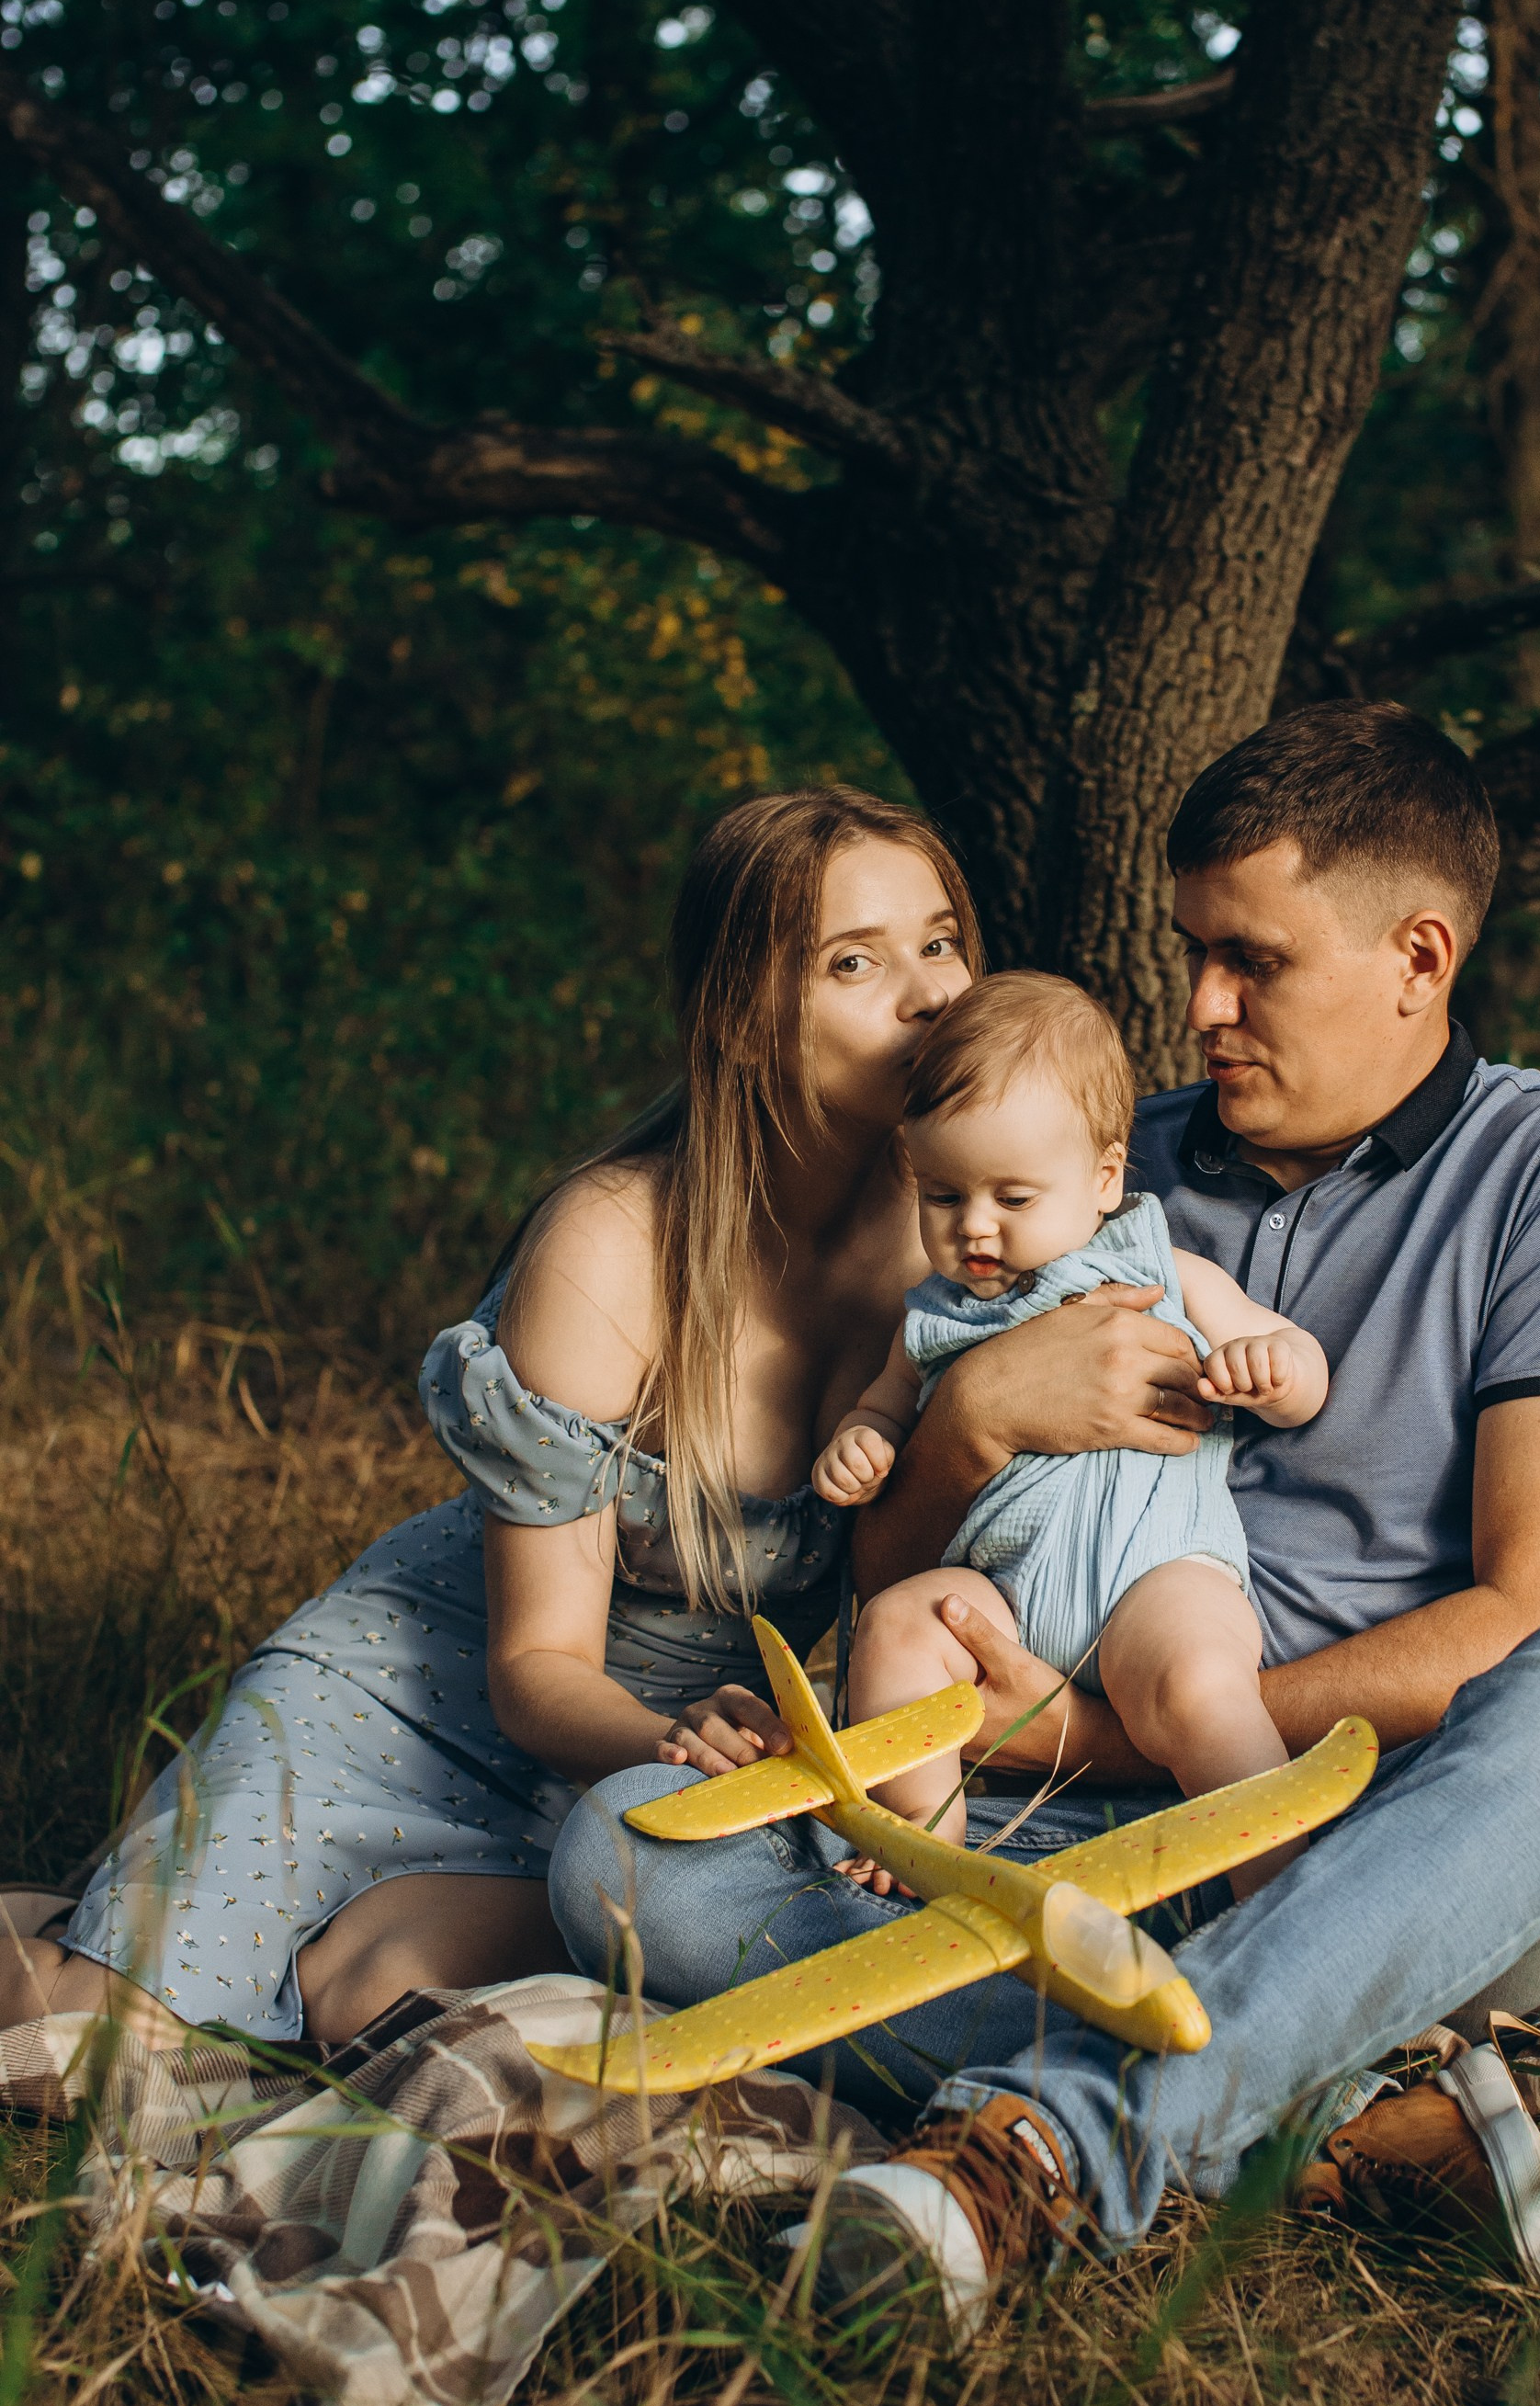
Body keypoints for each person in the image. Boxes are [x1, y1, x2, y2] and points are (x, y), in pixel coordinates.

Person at [547, 699, 1540, 2339]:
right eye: (1188, 956)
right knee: (616, 1857)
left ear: (1420, 956)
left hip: (1380, 1840)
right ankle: (1351, 2112)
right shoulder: (1083, 1161)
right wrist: (971, 1423)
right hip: (1053, 1848)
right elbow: (889, 1575)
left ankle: (1042, 2151)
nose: (1199, 1010)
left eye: (1251, 964)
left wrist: (1089, 1733)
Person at [0, 790, 976, 2046]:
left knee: (350, 2003)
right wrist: (681, 1739)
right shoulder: (614, 1242)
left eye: (942, 942)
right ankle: (112, 1945)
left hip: (637, 1782)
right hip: (424, 1699)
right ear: (742, 1017)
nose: (929, 996)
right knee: (108, 2037)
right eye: (856, 961)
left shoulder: (974, 1241)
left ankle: (200, 1931)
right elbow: (534, 1671)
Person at [813, 972, 1329, 1850]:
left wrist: (1269, 1367)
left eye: (1012, 1198)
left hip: (1155, 1578)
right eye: (944, 1196)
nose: (976, 1227)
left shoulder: (1166, 1273)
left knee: (1200, 1684)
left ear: (1103, 1177)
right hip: (1001, 1597)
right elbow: (885, 1408)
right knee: (899, 1628)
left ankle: (1275, 1874)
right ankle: (924, 1836)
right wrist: (861, 1442)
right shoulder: (934, 1316)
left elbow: (1299, 1366)